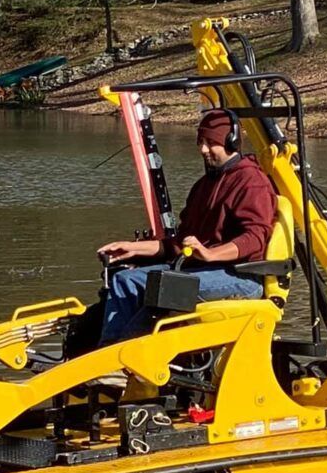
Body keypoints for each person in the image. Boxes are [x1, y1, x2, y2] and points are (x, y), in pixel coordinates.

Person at [96, 107, 277, 345]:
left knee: (140, 283)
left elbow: (255, 237)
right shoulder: (204, 185)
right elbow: (179, 243)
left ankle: (114, 359)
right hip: (201, 270)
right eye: (200, 142)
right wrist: (134, 249)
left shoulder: (251, 182)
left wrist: (211, 254)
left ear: (231, 141)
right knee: (122, 276)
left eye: (211, 143)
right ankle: (113, 357)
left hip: (241, 277)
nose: (203, 149)